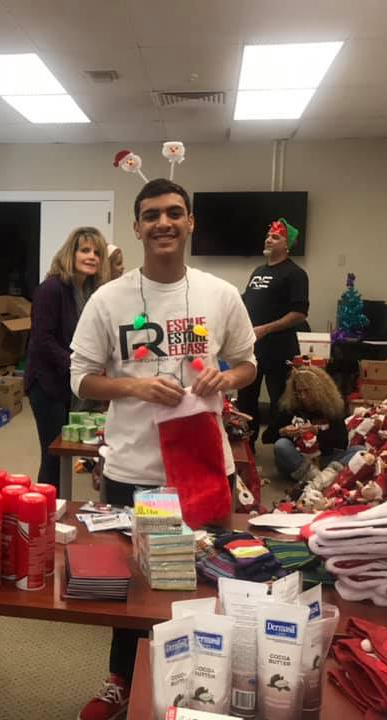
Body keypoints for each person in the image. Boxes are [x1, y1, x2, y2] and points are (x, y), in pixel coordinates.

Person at [70, 178, 257, 720]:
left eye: (174, 212)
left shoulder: (220, 294)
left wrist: (227, 378)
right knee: (133, 585)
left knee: (204, 577)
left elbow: (248, 363)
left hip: (202, 466)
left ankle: (198, 686)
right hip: (134, 468)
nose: (163, 223)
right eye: (151, 215)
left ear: (190, 221)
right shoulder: (110, 298)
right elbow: (81, 378)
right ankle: (120, 680)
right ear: (136, 227)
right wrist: (133, 385)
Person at [25, 227, 109, 488]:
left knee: (66, 452)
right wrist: (79, 367)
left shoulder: (88, 292)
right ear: (70, 254)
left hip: (69, 383)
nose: (92, 256)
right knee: (53, 455)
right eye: (85, 250)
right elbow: (42, 341)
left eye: (97, 252)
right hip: (47, 384)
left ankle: (59, 505)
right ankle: (45, 511)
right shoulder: (51, 289)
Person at [237, 217, 310, 448]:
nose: (269, 238)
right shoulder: (258, 271)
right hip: (252, 348)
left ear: (288, 245)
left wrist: (265, 329)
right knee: (246, 399)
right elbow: (247, 302)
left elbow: (299, 313)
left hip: (280, 349)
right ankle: (246, 448)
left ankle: (281, 447)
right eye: (268, 235)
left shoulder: (295, 274)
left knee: (282, 401)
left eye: (275, 236)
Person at [268, 363, 362, 485]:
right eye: (299, 392)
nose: (303, 396)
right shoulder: (290, 408)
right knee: (281, 445)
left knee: (360, 450)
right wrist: (283, 431)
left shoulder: (331, 407)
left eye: (307, 391)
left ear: (319, 390)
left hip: (327, 457)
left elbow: (342, 442)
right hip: (301, 460)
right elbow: (267, 437)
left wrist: (317, 431)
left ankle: (320, 479)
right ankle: (323, 480)